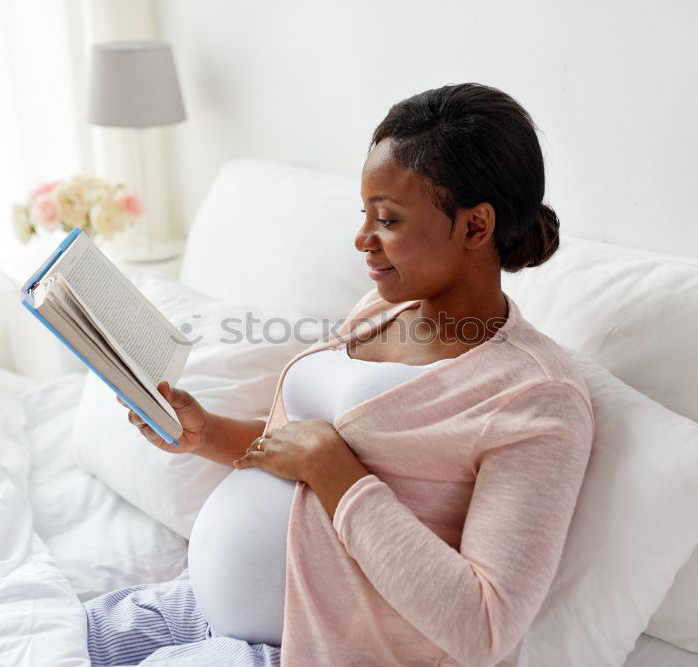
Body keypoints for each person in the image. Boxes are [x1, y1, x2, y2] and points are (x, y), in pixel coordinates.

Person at [82, 82, 594, 667]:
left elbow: (483, 626)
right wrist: (206, 433)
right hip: (196, 608)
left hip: (312, 651)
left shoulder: (535, 397)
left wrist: (338, 475)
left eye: (388, 219)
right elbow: (295, 449)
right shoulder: (382, 311)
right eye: (364, 214)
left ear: (476, 227)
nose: (362, 240)